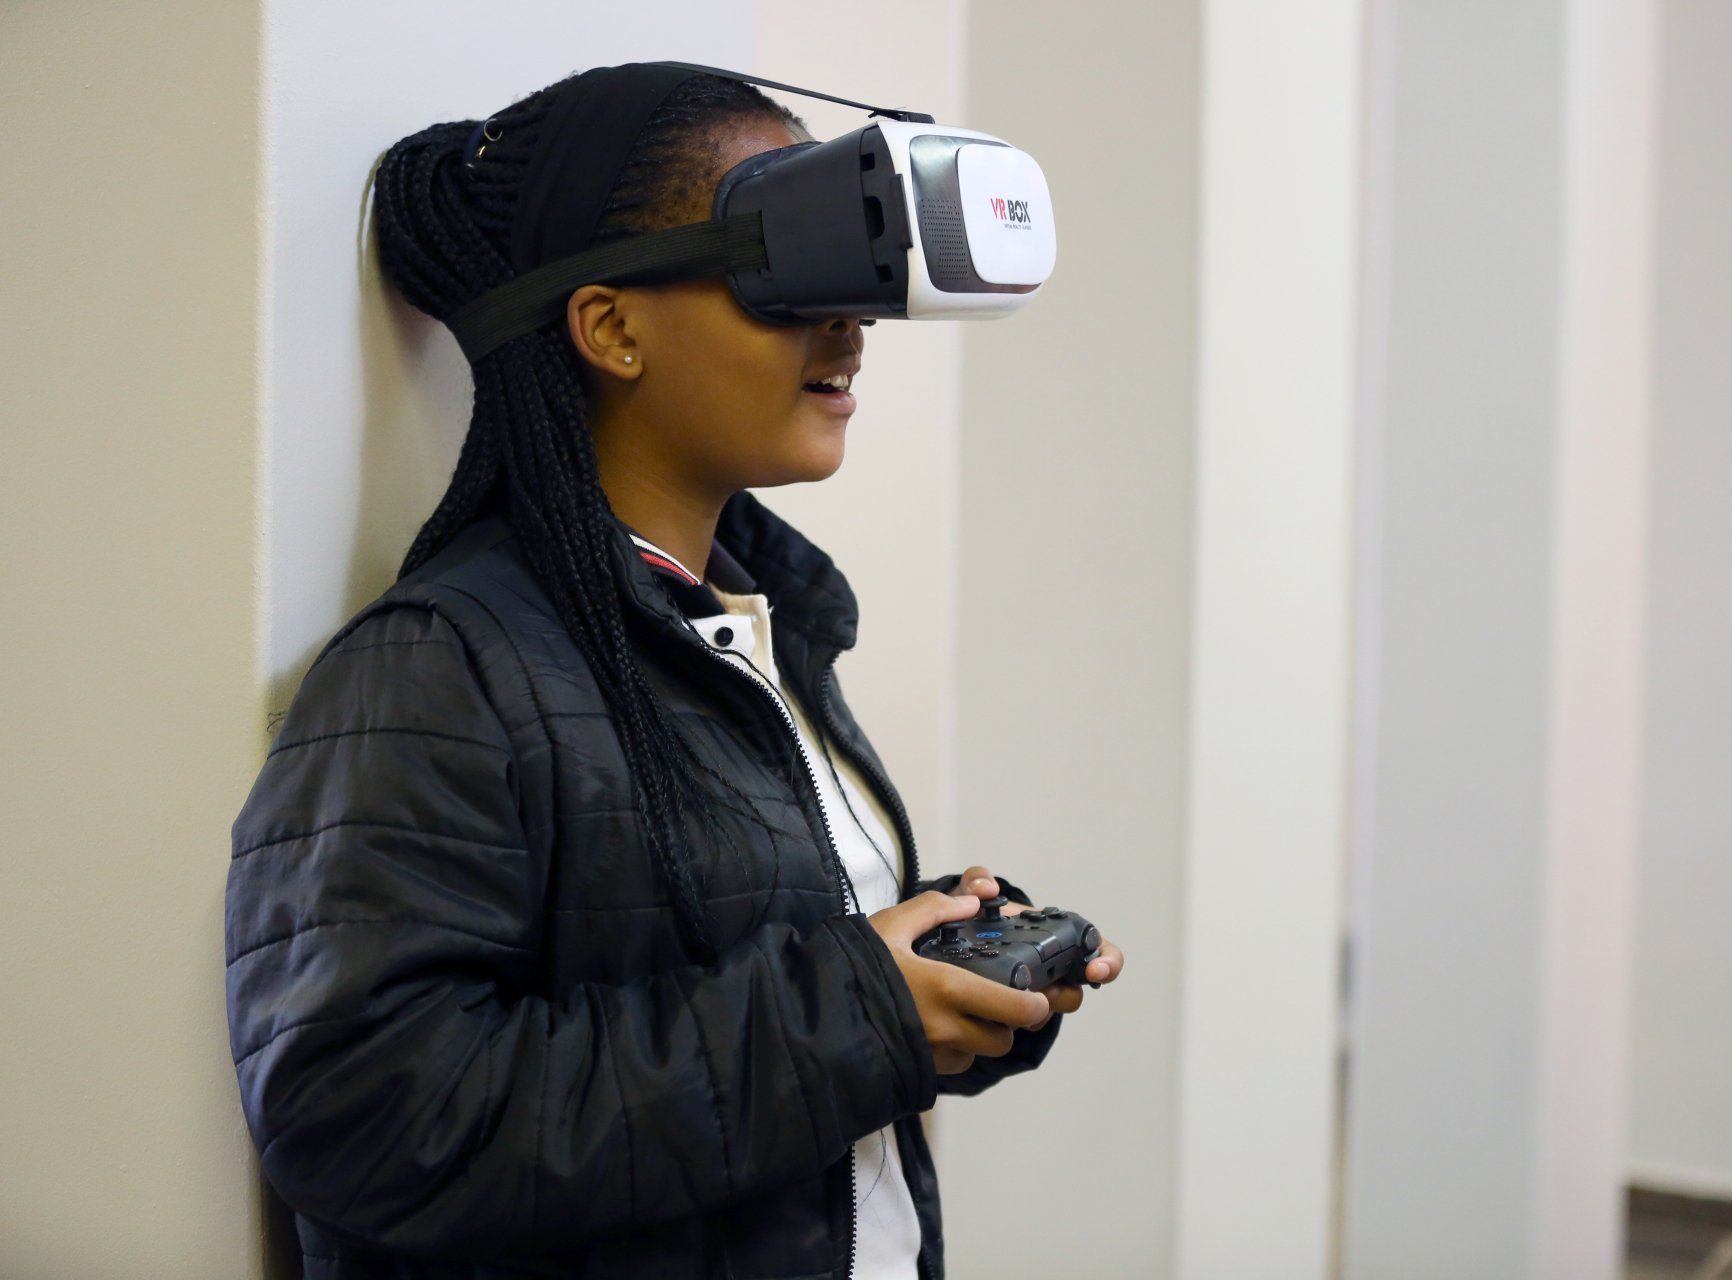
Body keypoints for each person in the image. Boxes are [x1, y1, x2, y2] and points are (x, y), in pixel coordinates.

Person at [223, 66, 1125, 1280]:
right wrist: (860, 1008)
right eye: (788, 274)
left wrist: (938, 981)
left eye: (855, 286)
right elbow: (369, 1122)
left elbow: (731, 989)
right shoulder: (438, 667)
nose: (848, 329)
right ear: (612, 328)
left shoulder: (754, 627)